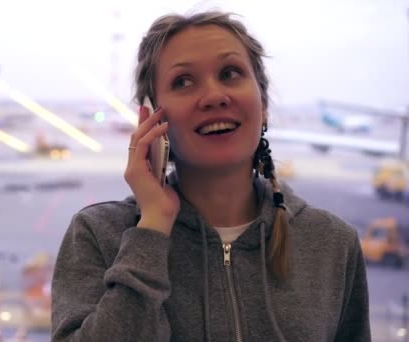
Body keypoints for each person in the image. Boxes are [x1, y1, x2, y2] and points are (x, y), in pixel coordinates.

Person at [51, 9, 371, 342]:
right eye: (183, 81)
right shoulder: (99, 235)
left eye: (230, 73)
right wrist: (151, 231)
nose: (215, 96)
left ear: (263, 105)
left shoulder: (332, 242)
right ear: (151, 118)